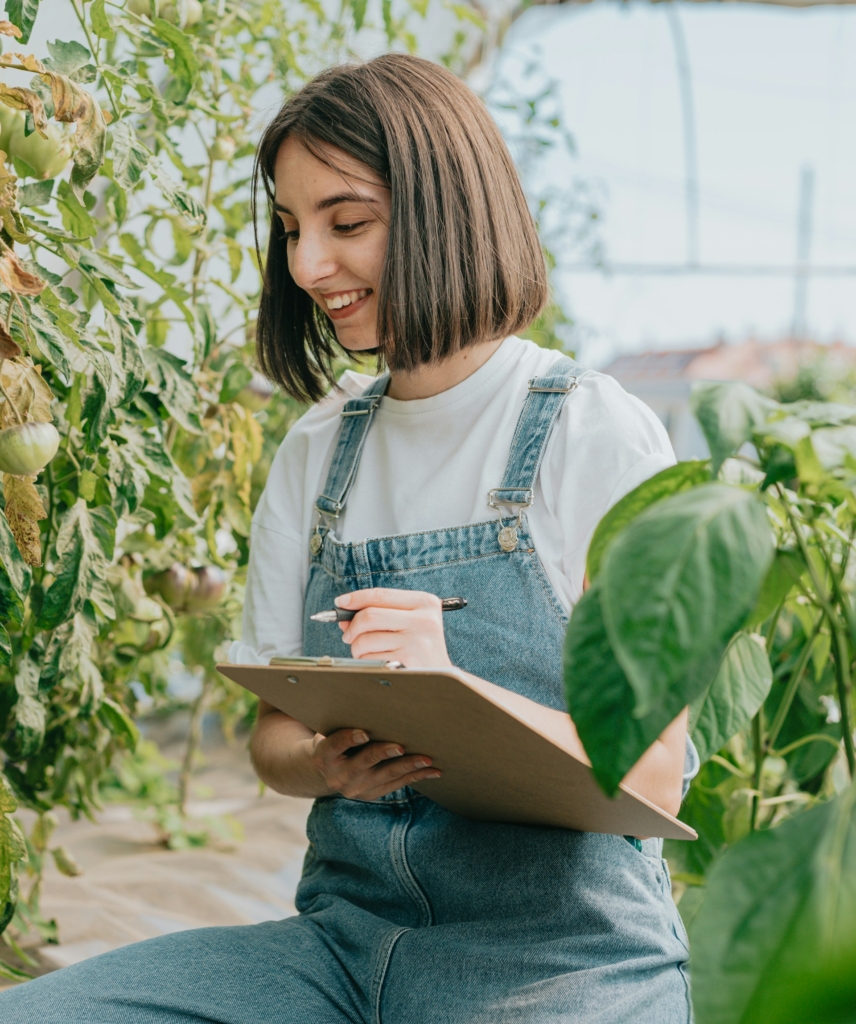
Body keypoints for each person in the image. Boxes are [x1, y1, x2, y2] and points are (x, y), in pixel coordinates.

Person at [1, 53, 698, 1023]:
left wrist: (453, 694)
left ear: (445, 210)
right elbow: (273, 740)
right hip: (339, 948)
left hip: (557, 963)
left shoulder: (591, 432)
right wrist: (323, 763)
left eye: (348, 223)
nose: (305, 265)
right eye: (290, 228)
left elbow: (655, 773)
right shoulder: (318, 449)